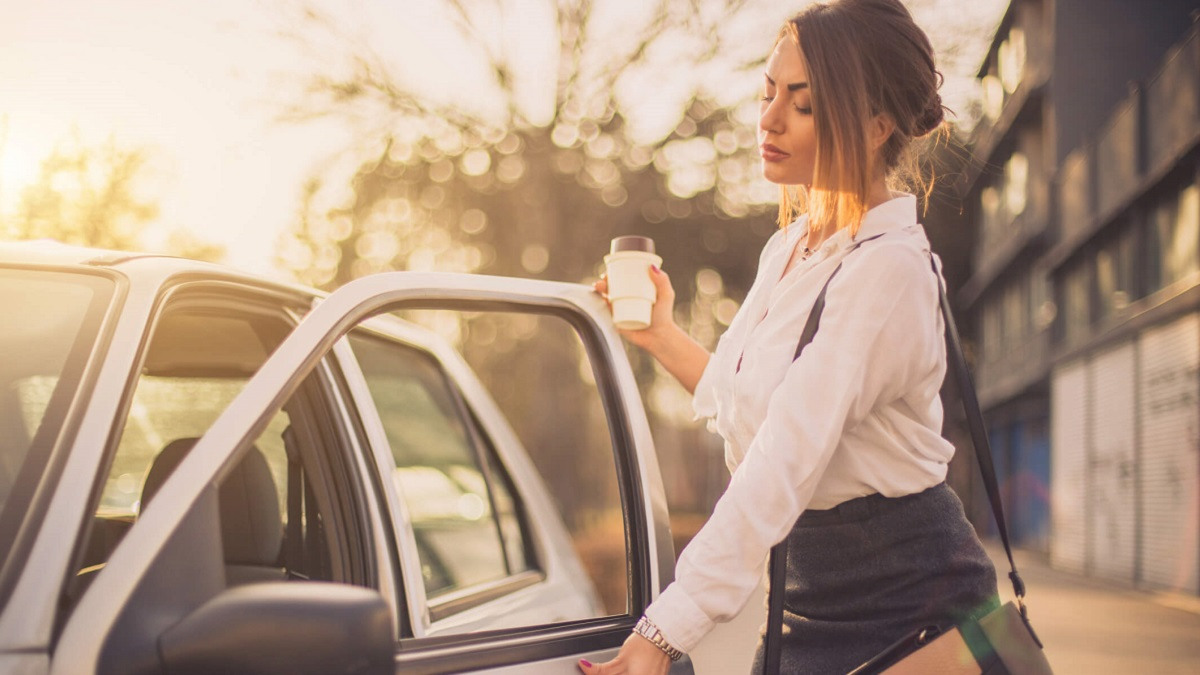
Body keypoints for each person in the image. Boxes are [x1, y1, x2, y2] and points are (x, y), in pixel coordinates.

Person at [581, 1, 1000, 673]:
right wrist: (660, 335)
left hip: (914, 609)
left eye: (802, 105)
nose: (769, 118)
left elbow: (783, 458)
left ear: (874, 127)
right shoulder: (791, 248)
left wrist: (665, 628)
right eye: (768, 92)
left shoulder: (887, 269)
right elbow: (752, 407)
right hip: (808, 593)